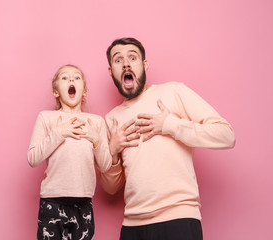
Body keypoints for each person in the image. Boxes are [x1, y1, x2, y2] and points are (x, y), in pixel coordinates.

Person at [99, 38, 236, 240]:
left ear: (144, 65)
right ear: (112, 71)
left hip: (178, 220)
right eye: (118, 60)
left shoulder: (173, 92)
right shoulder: (111, 119)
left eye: (133, 57)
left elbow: (226, 135)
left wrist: (170, 125)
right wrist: (112, 151)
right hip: (132, 226)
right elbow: (110, 188)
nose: (126, 63)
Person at [27, 64, 112, 240]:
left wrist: (95, 139)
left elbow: (105, 165)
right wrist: (59, 133)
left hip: (83, 203)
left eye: (77, 77)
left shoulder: (96, 122)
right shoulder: (47, 117)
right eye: (65, 78)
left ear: (85, 90)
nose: (71, 79)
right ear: (56, 91)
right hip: (52, 201)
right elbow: (33, 158)